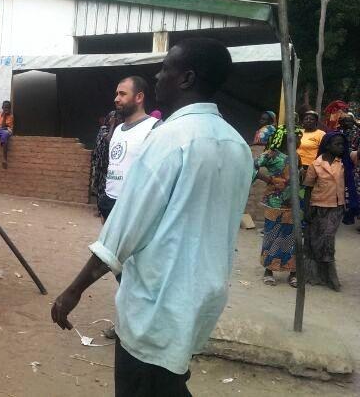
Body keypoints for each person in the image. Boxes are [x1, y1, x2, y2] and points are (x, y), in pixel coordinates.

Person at [51, 38, 252, 397]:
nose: (158, 77)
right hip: (203, 299)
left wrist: (73, 291)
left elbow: (121, 233)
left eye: (166, 69)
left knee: (145, 385)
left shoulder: (169, 140)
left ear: (187, 78)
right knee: (168, 382)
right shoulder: (237, 145)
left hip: (158, 304)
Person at [302, 131, 359, 291]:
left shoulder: (344, 163)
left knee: (327, 239)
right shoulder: (315, 164)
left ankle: (330, 277)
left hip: (336, 207)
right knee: (314, 240)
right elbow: (308, 188)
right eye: (337, 144)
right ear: (327, 146)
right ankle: (313, 274)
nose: (341, 147)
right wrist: (306, 209)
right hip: (317, 206)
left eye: (342, 144)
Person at [98, 76, 159, 221]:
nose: (116, 99)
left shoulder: (154, 128)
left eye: (122, 94)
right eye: (116, 94)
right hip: (109, 201)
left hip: (133, 206)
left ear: (139, 97)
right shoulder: (118, 129)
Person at [254, 126, 302, 287]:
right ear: (284, 139)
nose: (299, 141)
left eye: (300, 138)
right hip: (274, 204)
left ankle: (292, 272)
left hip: (293, 204)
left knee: (292, 238)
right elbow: (251, 166)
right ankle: (269, 271)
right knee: (272, 236)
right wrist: (268, 180)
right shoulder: (271, 154)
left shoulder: (296, 156)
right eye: (296, 138)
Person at [91, 111, 122, 206]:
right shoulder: (104, 129)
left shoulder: (119, 131)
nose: (115, 120)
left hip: (111, 164)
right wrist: (112, 125)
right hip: (101, 164)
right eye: (113, 118)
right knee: (101, 187)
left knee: (108, 186)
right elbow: (108, 140)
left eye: (117, 118)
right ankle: (100, 208)